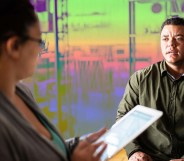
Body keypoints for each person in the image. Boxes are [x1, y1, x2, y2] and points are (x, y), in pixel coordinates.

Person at [0, 0, 107, 161]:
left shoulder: (21, 91)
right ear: (14, 46)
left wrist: (78, 145)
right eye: (39, 42)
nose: (41, 50)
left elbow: (44, 151)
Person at [116, 16, 184, 161]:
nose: (171, 44)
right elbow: (123, 120)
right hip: (149, 158)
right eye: (165, 39)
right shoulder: (140, 79)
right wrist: (134, 151)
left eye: (178, 38)